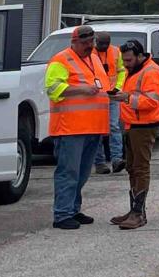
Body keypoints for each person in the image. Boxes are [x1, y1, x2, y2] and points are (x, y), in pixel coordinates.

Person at [45, 25, 111, 230]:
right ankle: (62, 214)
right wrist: (80, 89)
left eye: (91, 42)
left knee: (82, 173)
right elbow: (52, 88)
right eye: (85, 43)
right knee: (69, 172)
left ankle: (73, 209)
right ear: (74, 42)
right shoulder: (61, 59)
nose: (89, 46)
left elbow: (101, 86)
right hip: (70, 128)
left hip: (93, 127)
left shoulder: (94, 59)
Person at [110, 39, 159, 230]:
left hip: (144, 126)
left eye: (128, 60)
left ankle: (138, 213)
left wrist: (127, 98)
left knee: (140, 168)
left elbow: (151, 102)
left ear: (140, 56)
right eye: (124, 60)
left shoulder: (151, 72)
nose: (125, 64)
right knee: (133, 168)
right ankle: (135, 210)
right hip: (132, 124)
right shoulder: (135, 70)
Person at [92, 33, 126, 174]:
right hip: (96, 97)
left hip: (112, 95)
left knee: (114, 127)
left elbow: (122, 71)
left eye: (106, 44)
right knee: (97, 129)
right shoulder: (90, 54)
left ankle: (117, 159)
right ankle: (99, 163)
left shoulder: (116, 52)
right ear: (96, 42)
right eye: (101, 44)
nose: (104, 46)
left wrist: (118, 87)